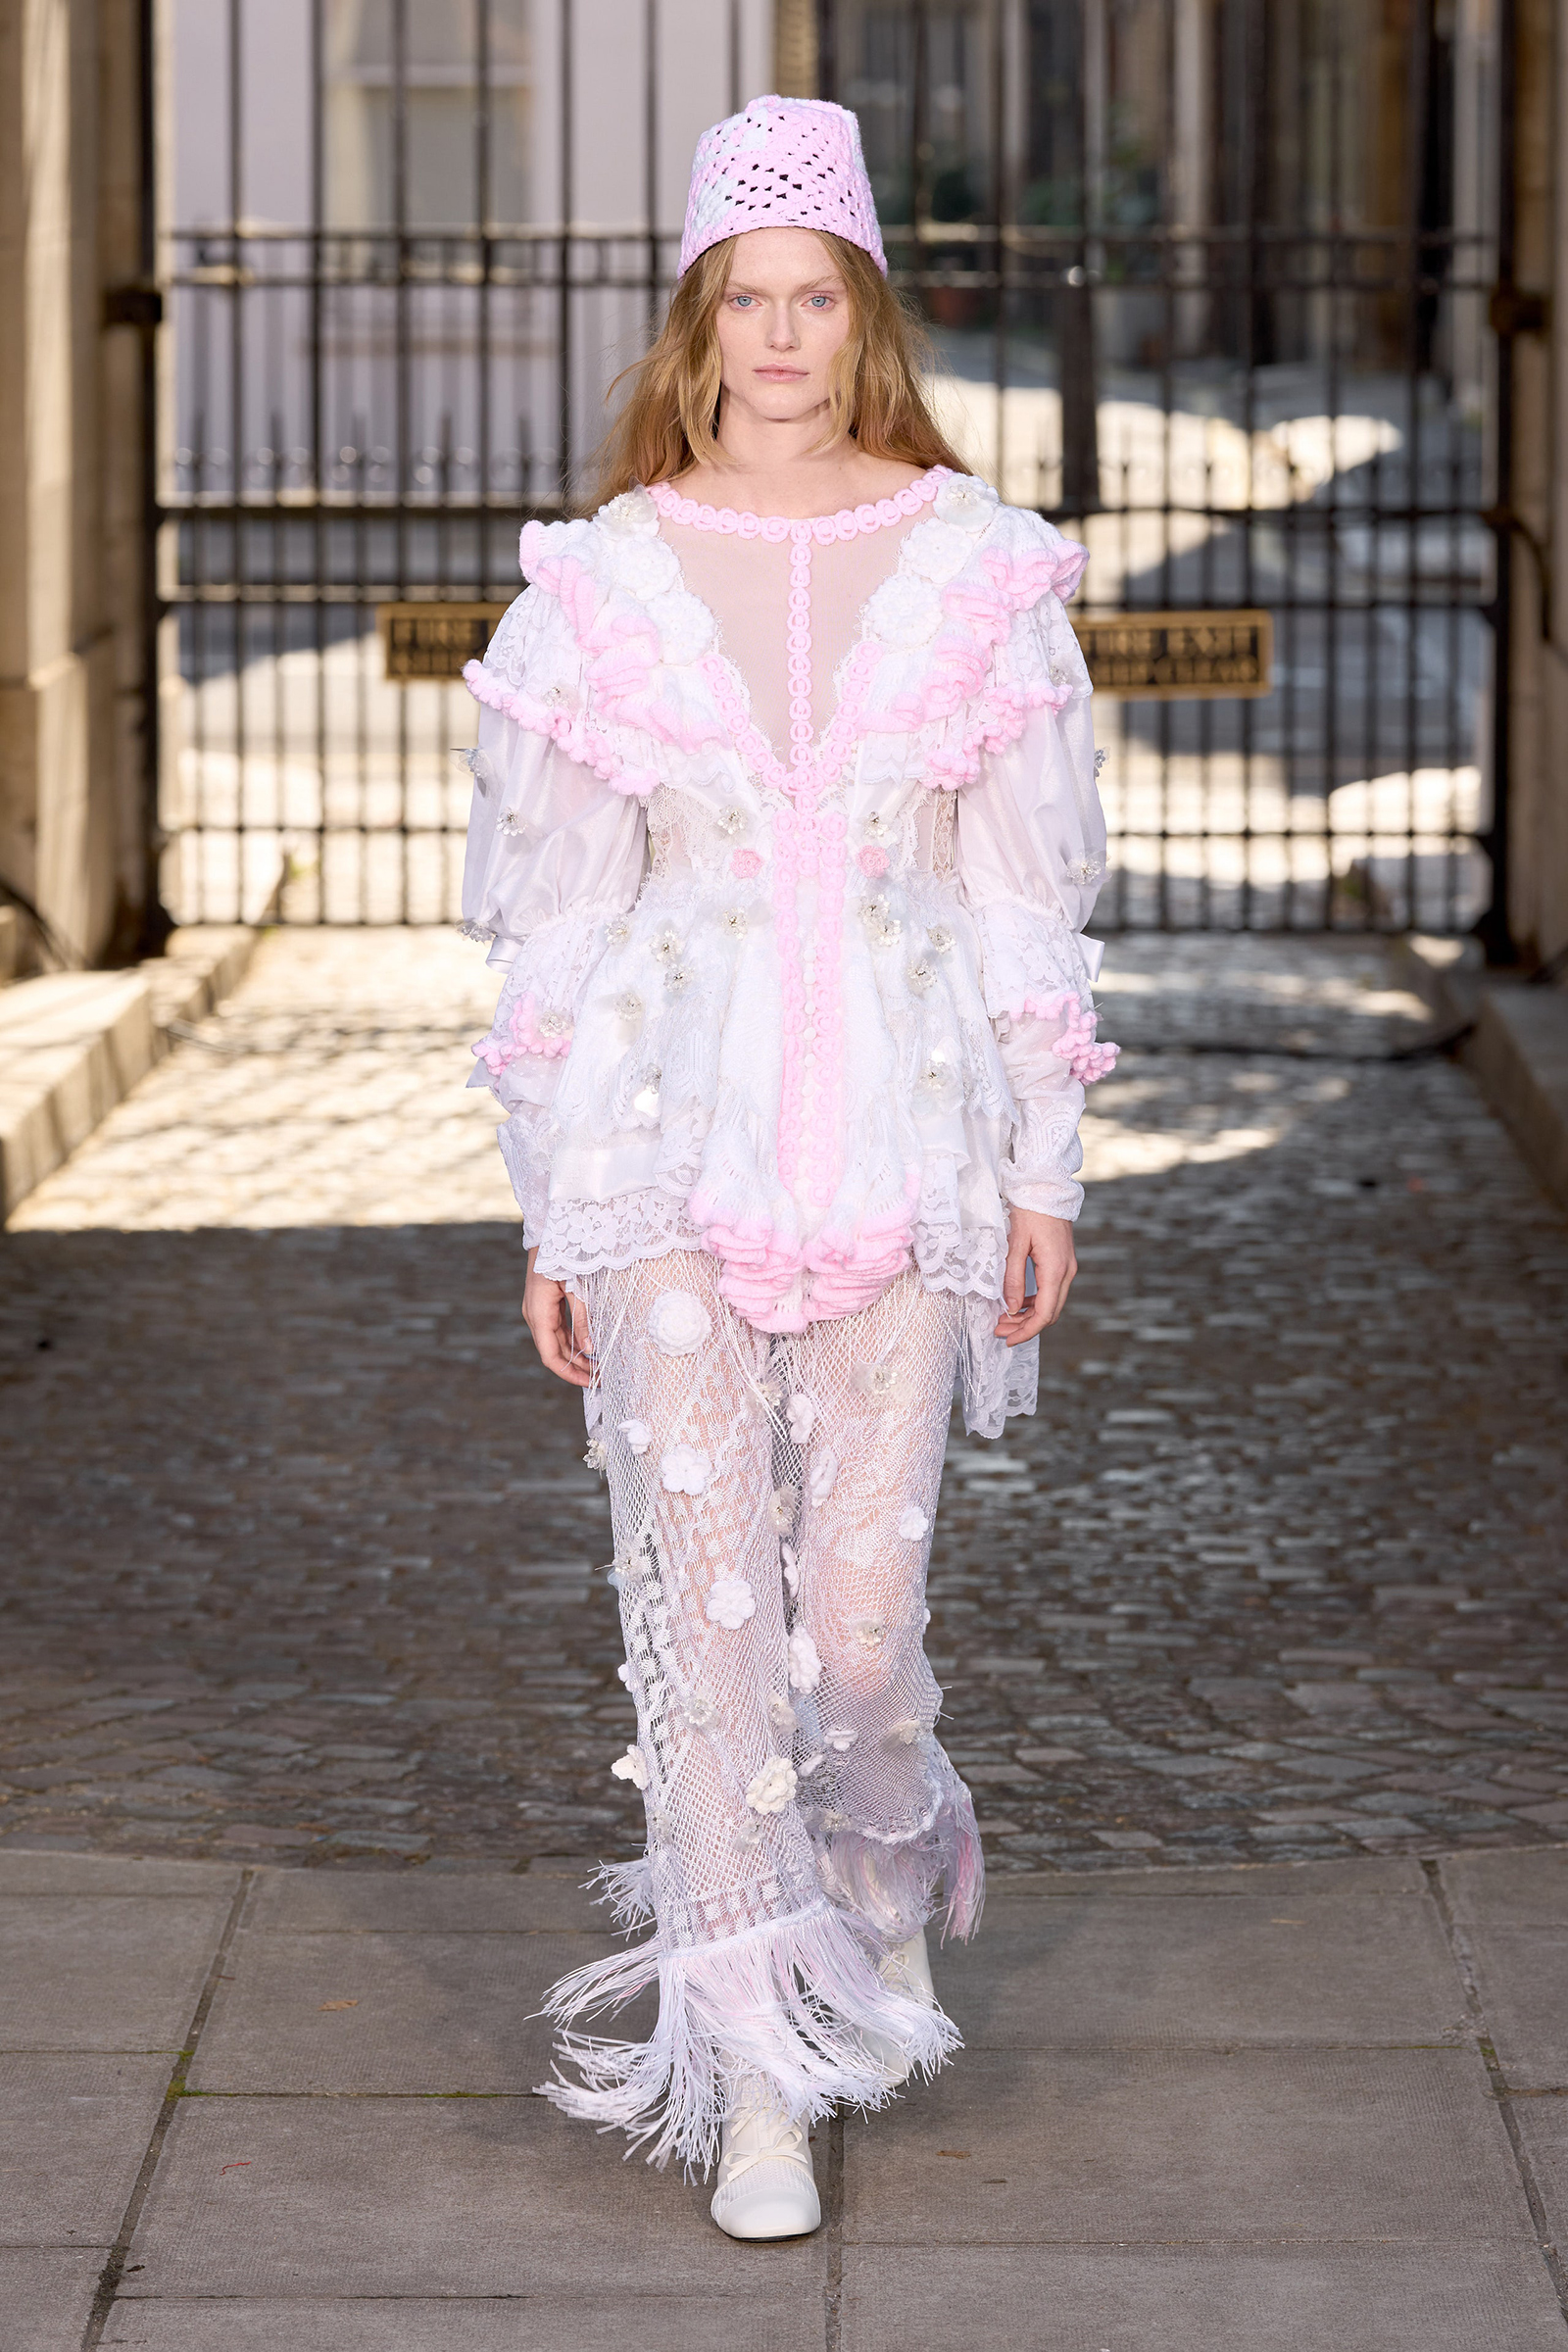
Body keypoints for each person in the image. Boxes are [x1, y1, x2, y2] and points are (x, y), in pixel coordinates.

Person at [460, 94, 1116, 2240]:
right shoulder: (604, 583)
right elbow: (559, 930)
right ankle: (753, 2066)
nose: (775, 335)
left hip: (907, 1165)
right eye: (742, 298)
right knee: (711, 1628)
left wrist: (1045, 1171)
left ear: (863, 316)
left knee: (851, 1633)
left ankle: (885, 1862)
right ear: (696, 320)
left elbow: (1019, 898)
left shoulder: (978, 567)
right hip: (665, 1161)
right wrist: (553, 1208)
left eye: (812, 297)